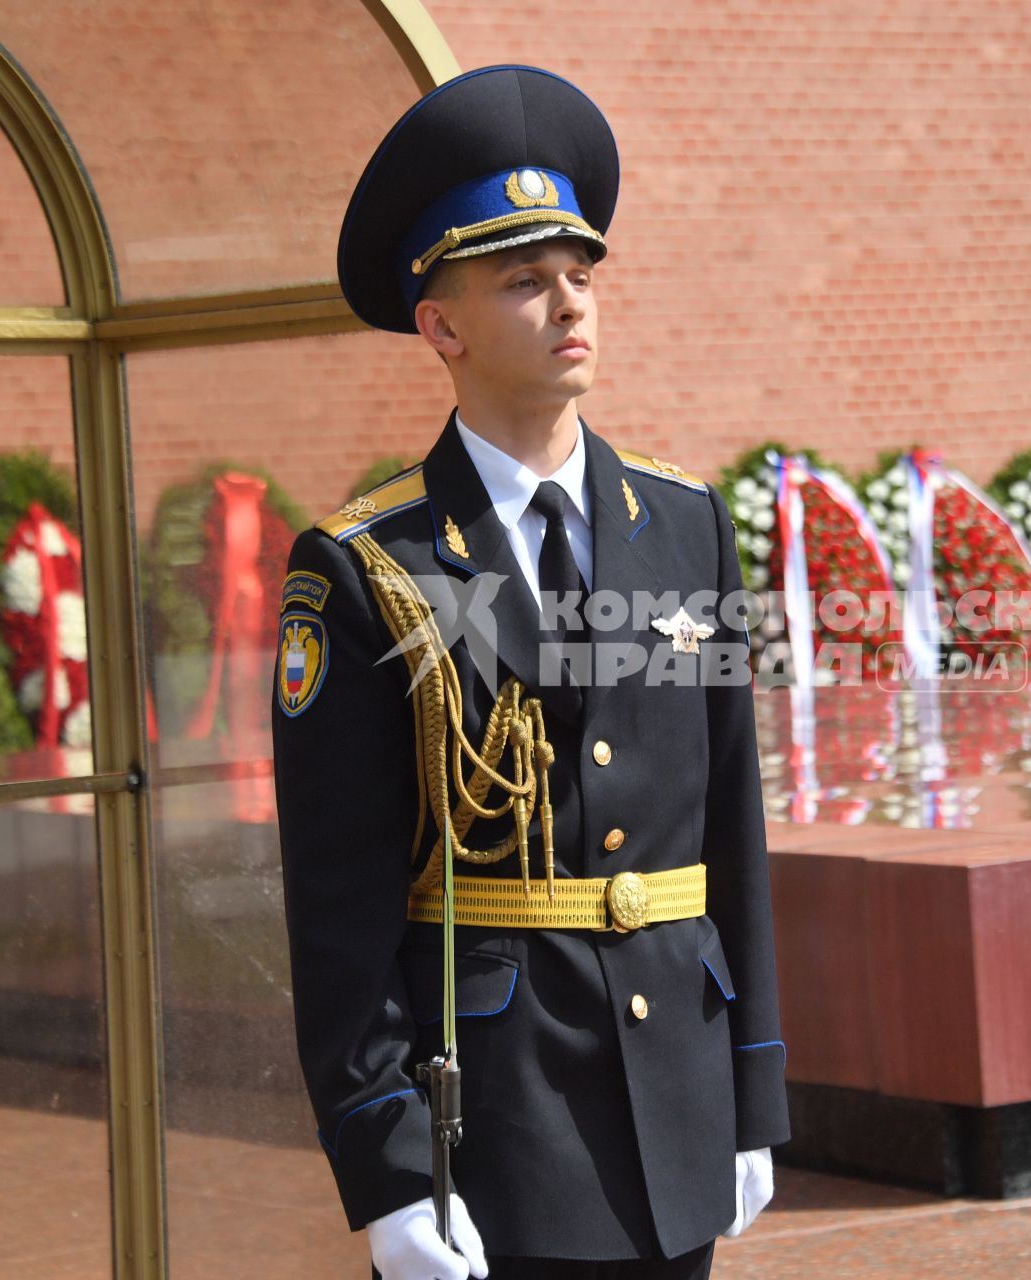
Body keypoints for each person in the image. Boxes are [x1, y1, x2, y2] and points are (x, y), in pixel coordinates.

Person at [271, 64, 787, 1280]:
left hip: (677, 1100)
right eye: (523, 280)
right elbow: (337, 910)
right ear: (439, 327)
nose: (570, 305)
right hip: (495, 1126)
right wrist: (389, 1169)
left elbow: (732, 821)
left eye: (581, 275)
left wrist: (753, 1082)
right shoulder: (367, 566)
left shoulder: (681, 524)